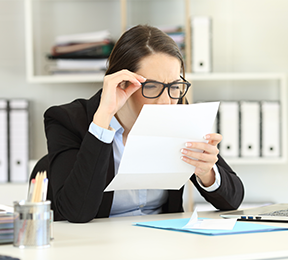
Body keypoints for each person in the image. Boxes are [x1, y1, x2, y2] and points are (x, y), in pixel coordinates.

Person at [43, 25, 244, 223]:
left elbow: (233, 200)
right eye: (153, 86)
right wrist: (103, 121)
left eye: (174, 86)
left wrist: (206, 172)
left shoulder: (178, 110)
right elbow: (76, 212)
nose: (166, 101)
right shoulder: (66, 120)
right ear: (122, 82)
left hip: (162, 241)